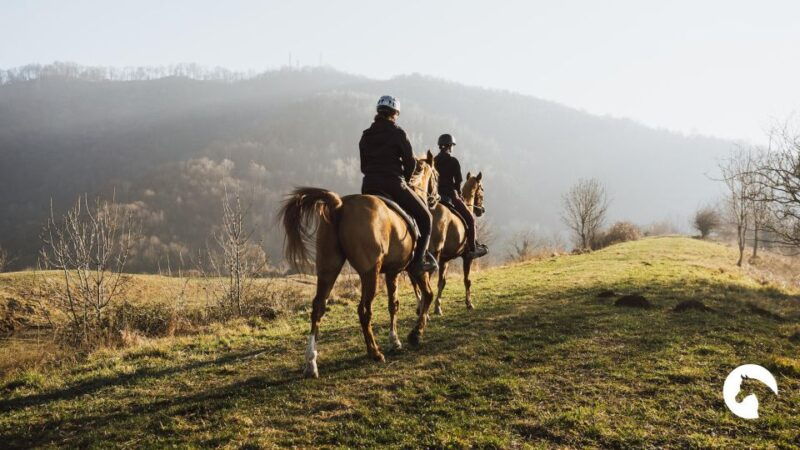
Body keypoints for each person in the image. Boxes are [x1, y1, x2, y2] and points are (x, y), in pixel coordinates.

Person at [359, 95, 438, 274]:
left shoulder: (366, 135)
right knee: (426, 219)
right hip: (393, 183)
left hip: (369, 186)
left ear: (378, 112)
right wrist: (405, 179)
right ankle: (418, 262)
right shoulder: (398, 132)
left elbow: (364, 166)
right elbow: (410, 163)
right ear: (395, 113)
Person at [434, 133, 488, 259]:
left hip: (436, 196)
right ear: (450, 146)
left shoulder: (434, 160)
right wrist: (458, 194)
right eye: (452, 145)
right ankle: (473, 249)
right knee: (471, 219)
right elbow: (458, 181)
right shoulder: (453, 161)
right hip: (450, 195)